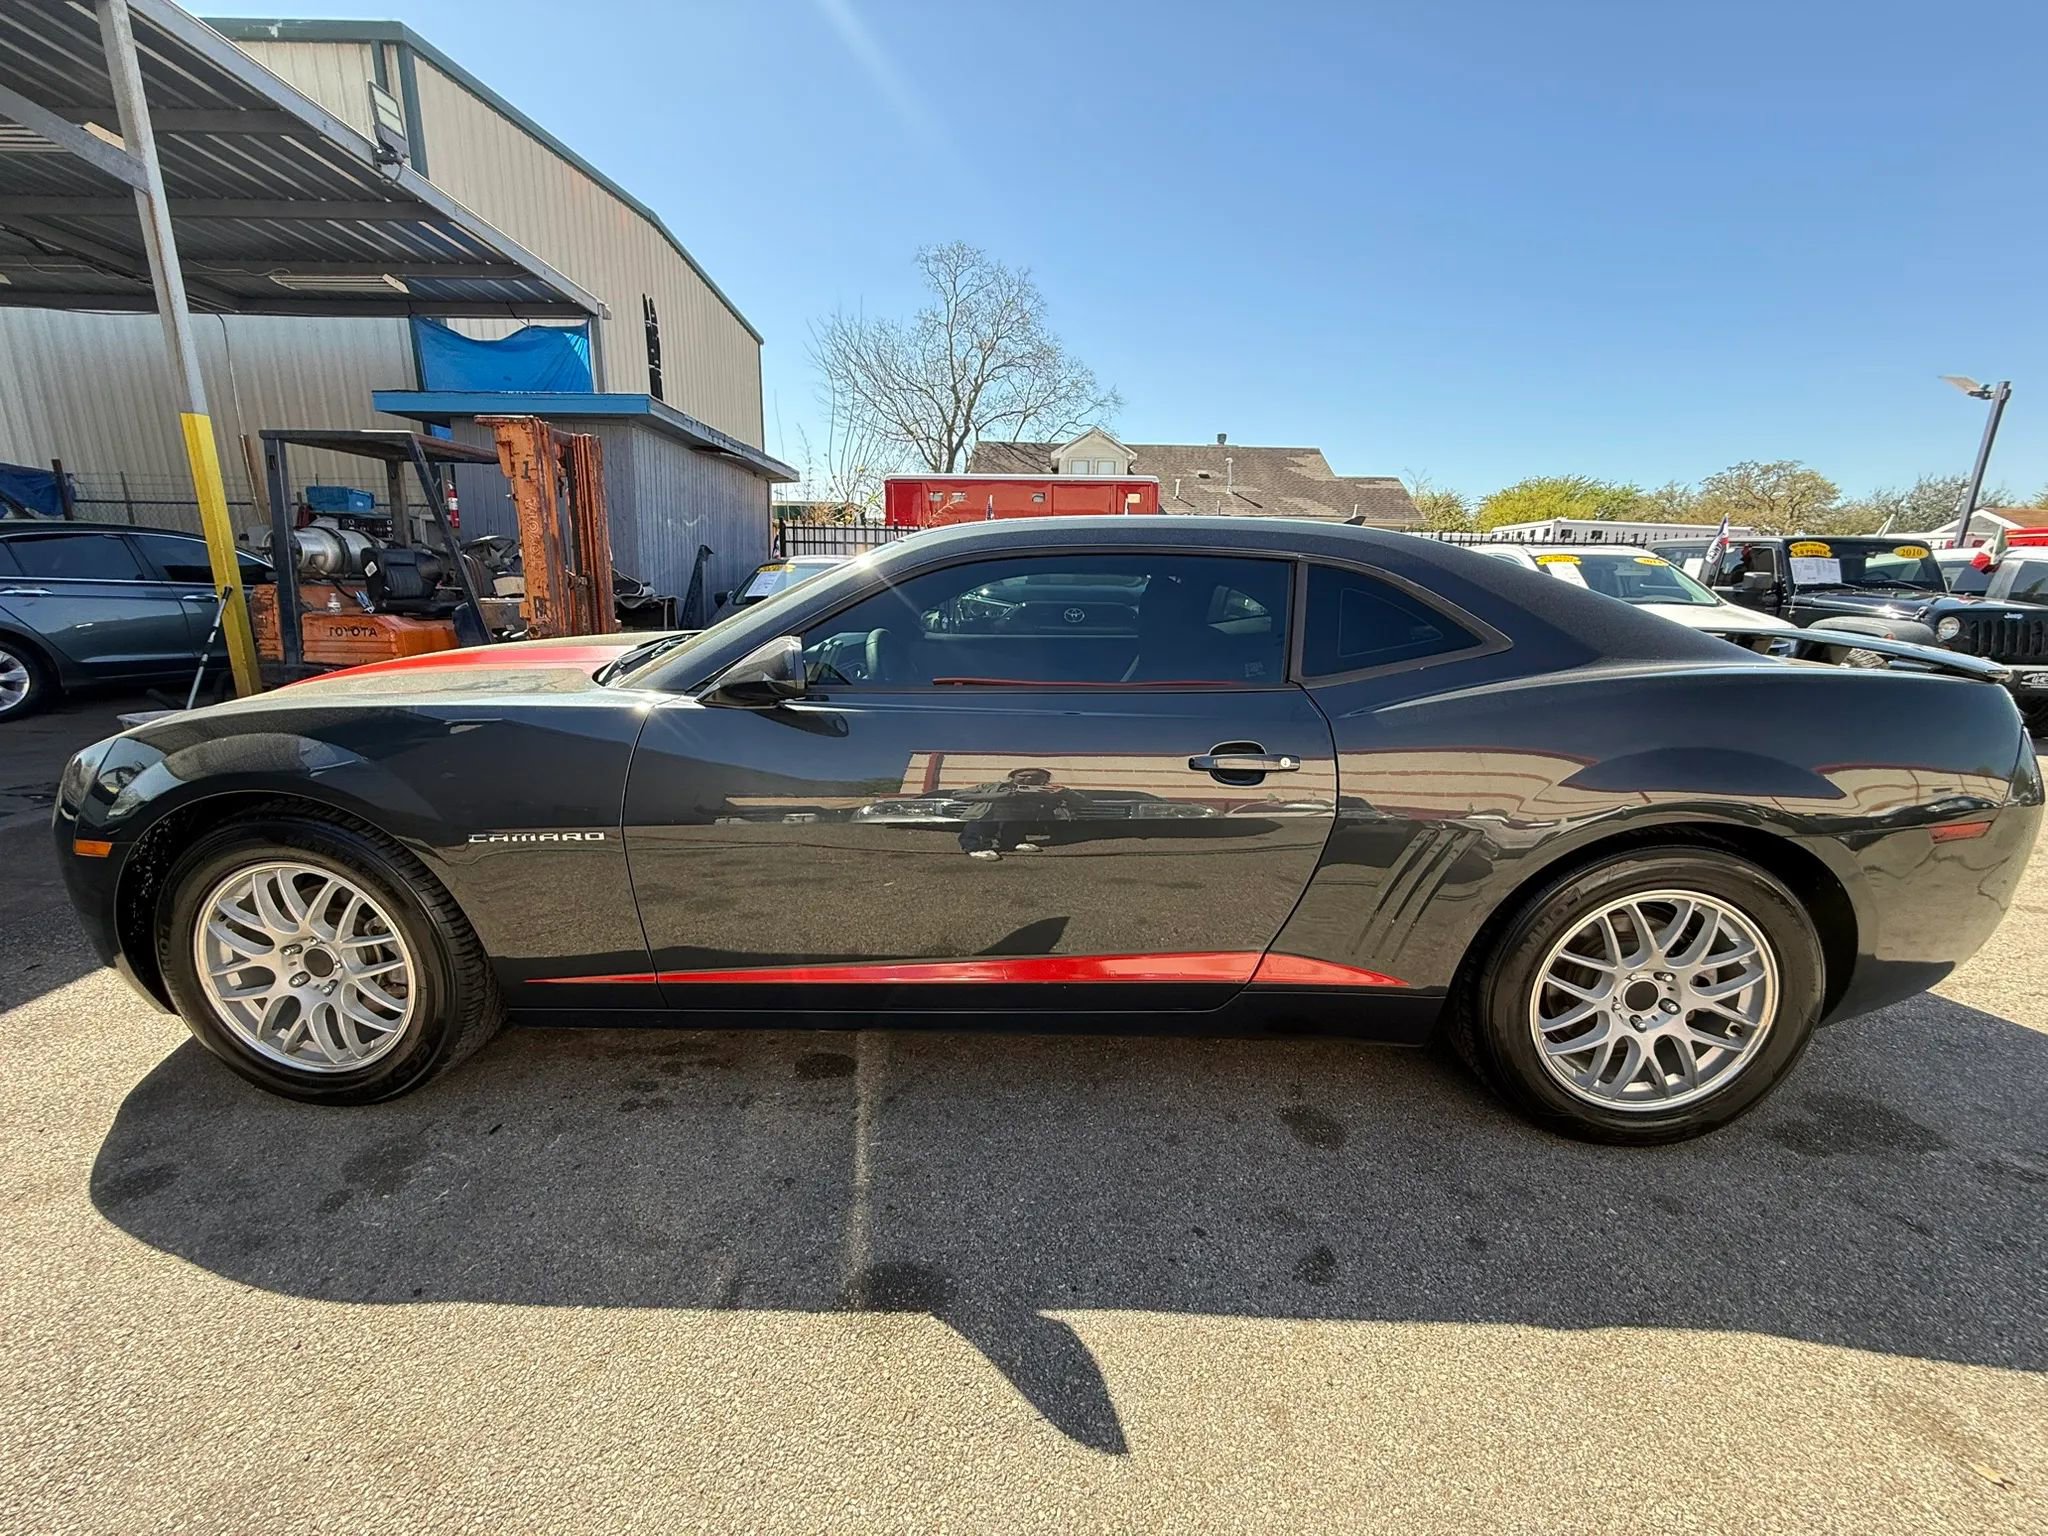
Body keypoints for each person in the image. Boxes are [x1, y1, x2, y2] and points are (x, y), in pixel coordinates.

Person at [956, 767, 1079, 859]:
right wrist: (1002, 795)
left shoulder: (1051, 790)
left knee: (1017, 821)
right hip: (986, 816)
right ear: (1013, 777)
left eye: (1037, 777)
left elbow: (1082, 802)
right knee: (981, 824)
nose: (1029, 779)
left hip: (1023, 821)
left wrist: (1066, 793)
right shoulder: (993, 787)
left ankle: (1014, 841)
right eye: (1023, 776)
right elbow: (958, 794)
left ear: (1045, 779)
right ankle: (975, 847)